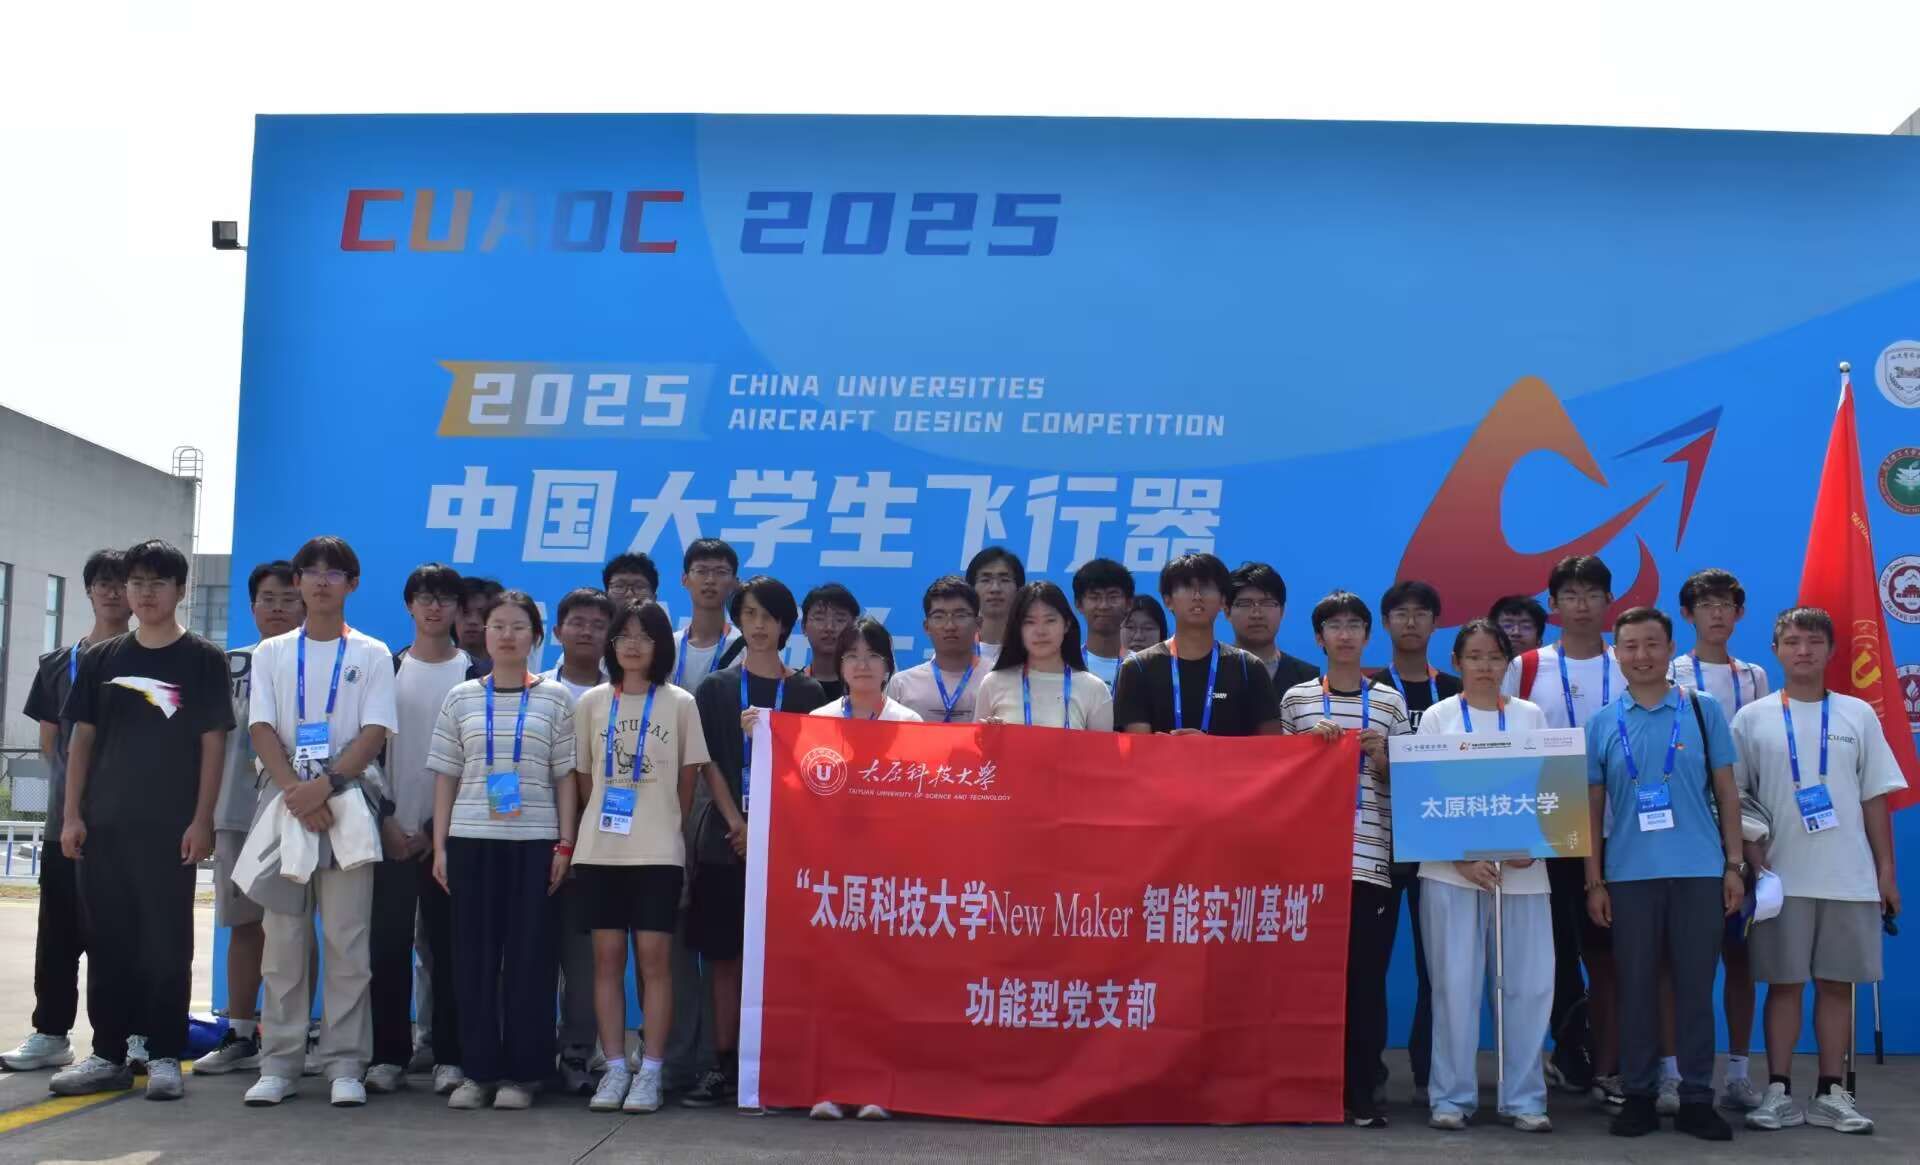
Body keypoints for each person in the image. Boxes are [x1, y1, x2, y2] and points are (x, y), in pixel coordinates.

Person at [47, 540, 231, 1101]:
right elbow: (81, 740)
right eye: (136, 583)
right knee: (108, 942)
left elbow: (213, 744)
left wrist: (202, 820)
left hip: (170, 830)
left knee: (167, 945)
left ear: (180, 590)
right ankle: (107, 1053)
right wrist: (72, 815)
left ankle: (164, 1053)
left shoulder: (203, 659)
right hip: (104, 827)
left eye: (158, 583)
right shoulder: (102, 659)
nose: (145, 593)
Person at [242, 536, 398, 1108]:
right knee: (283, 940)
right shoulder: (272, 652)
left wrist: (324, 786)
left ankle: (345, 1062)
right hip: (285, 804)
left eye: (335, 573)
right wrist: (295, 791)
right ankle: (280, 1062)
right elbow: (260, 727)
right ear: (299, 581)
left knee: (347, 939)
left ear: (352, 584)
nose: (322, 581)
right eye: (312, 571)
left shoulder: (372, 652)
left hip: (347, 802)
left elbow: (374, 732)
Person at [1735, 607, 1903, 1135]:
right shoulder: (1752, 718)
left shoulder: (1858, 714)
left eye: (1813, 641)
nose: (1803, 650)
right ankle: (1778, 1090)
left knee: (1837, 986)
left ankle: (1832, 1093)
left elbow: (1875, 798)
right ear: (1776, 650)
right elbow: (1734, 798)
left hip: (1849, 879)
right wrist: (1754, 863)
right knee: (1783, 986)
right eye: (1792, 641)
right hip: (1781, 880)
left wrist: (1886, 871)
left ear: (1830, 651)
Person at [1583, 606, 1743, 1140]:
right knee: (1635, 988)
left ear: (1670, 648)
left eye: (1652, 644)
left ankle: (1697, 1097)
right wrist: (1594, 880)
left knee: (1696, 988)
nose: (1642, 655)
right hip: (1629, 876)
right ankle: (1639, 1095)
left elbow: (1727, 793)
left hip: (1700, 871)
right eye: (1630, 646)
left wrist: (1734, 865)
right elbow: (1590, 809)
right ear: (1617, 653)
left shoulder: (1702, 709)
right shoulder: (1603, 722)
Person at [428, 590, 579, 1111]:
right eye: (497, 626)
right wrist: (441, 845)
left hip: (535, 844)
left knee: (530, 960)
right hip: (471, 841)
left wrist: (565, 843)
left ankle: (524, 1072)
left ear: (536, 637)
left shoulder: (555, 698)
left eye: (518, 626)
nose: (507, 635)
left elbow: (565, 777)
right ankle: (478, 1072)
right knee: (472, 961)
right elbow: (446, 776)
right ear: (483, 634)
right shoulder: (461, 697)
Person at [687, 576, 828, 1107]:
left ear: (786, 624)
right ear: (738, 622)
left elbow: (814, 772)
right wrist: (739, 825)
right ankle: (722, 1065)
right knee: (724, 958)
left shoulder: (808, 693)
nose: (760, 625)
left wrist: (770, 829)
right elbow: (708, 765)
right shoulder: (717, 688)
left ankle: (772, 1064)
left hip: (787, 844)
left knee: (780, 959)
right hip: (727, 839)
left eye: (769, 616)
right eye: (749, 615)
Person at [1279, 590, 1413, 1127]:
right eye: (1334, 626)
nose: (1345, 634)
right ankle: (1312, 1088)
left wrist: (1383, 760)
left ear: (1367, 635)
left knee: (1365, 983)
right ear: (1319, 638)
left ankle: (1362, 1093)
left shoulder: (1390, 703)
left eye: (1354, 625)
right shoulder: (1296, 701)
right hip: (1311, 865)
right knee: (1311, 981)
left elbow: (1414, 789)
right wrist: (1307, 751)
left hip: (1372, 862)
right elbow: (1277, 782)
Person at [1414, 619, 1553, 1133]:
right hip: (1451, 874)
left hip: (1523, 875)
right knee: (1454, 986)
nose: (1485, 667)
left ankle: (1525, 1098)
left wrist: (1529, 848)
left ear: (1508, 663)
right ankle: (1451, 1097)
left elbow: (1549, 790)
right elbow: (1423, 795)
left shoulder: (1530, 715)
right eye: (1474, 657)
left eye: (1495, 657)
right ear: (1457, 663)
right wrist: (1460, 858)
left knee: (1529, 986)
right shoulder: (1439, 717)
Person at [574, 601, 710, 1114]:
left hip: (657, 852)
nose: (633, 645)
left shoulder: (680, 703)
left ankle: (650, 1069)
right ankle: (614, 1067)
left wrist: (664, 829)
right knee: (607, 961)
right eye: (624, 635)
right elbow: (584, 779)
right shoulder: (591, 702)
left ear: (660, 646)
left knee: (655, 963)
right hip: (600, 851)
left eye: (645, 636)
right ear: (611, 644)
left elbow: (686, 783)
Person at [1502, 555, 1625, 1104]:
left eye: (1592, 594)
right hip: (1544, 831)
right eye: (1570, 595)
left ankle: (1612, 1064)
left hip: (1619, 832)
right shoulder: (1527, 666)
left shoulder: (1630, 661)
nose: (1581, 605)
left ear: (1608, 602)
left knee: (1608, 954)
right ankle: (1566, 1053)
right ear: (1552, 605)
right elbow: (1505, 744)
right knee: (1547, 952)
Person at [3, 549, 128, 1074]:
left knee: (115, 936)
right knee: (57, 933)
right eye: (103, 583)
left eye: (122, 583)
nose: (113, 592)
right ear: (89, 591)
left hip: (125, 820)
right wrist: (69, 799)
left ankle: (119, 1041)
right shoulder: (57, 663)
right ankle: (51, 1033)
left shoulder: (146, 660)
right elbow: (48, 741)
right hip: (64, 821)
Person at [192, 561, 304, 1077]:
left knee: (298, 928)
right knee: (245, 925)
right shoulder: (228, 665)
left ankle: (295, 1035)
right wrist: (204, 815)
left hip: (302, 811)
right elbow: (206, 743)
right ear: (252, 606)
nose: (277, 608)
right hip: (237, 814)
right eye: (267, 599)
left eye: (287, 599)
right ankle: (240, 1032)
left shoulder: (319, 661)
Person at [1667, 567, 1770, 1112]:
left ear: (1739, 613)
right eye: (1706, 605)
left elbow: (1756, 754)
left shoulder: (1753, 676)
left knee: (1740, 956)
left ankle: (1738, 1072)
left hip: (1739, 828)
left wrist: (1752, 839)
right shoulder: (1669, 671)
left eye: (1726, 605)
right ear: (1687, 615)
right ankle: (1672, 1073)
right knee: (1676, 961)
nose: (1716, 614)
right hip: (1681, 827)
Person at [1371, 578, 1462, 1103]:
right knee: (1373, 963)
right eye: (1400, 613)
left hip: (1441, 844)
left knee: (1439, 966)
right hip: (1382, 841)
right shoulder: (1367, 690)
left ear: (1435, 622)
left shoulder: (1455, 690)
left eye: (1420, 613)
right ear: (1386, 623)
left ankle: (1433, 1072)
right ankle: (1370, 1071)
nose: (1410, 621)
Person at [386, 563, 475, 1095]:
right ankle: (388, 1055)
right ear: (409, 606)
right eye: (424, 597)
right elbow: (366, 747)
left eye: (444, 598)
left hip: (451, 837)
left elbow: (481, 762)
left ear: (459, 609)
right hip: (388, 832)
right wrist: (388, 820)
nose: (434, 606)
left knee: (448, 950)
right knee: (387, 948)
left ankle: (449, 1055)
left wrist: (431, 830)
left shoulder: (477, 675)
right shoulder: (385, 668)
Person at [540, 587, 616, 1094]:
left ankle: (577, 1054)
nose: (586, 631)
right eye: (577, 622)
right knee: (530, 955)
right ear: (557, 631)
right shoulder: (533, 689)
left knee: (585, 961)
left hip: (597, 847)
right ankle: (529, 1050)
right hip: (533, 838)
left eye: (597, 624)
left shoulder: (624, 695)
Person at [1113, 553, 1282, 737]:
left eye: (1206, 587)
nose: (1197, 596)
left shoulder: (1248, 667)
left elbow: (1271, 746)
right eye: (1187, 587)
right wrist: (1170, 748)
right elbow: (1137, 746)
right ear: (1168, 600)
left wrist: (1210, 748)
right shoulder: (1137, 668)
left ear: (1223, 600)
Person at [978, 581, 1115, 730]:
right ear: (1018, 629)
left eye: (1050, 621)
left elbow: (1103, 746)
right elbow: (974, 742)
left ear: (1066, 624)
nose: (1040, 631)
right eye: (1030, 622)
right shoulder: (993, 683)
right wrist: (991, 736)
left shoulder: (1094, 689)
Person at [886, 576, 986, 724]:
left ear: (978, 624)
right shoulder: (902, 684)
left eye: (960, 615)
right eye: (939, 616)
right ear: (926, 627)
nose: (950, 626)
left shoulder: (997, 679)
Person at [1226, 561, 1320, 691]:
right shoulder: (1211, 671)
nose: (1257, 614)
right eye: (1245, 604)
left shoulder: (1309, 678)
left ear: (1282, 611)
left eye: (1267, 603)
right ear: (1227, 612)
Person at [812, 616, 923, 723]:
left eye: (873, 656)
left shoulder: (908, 721)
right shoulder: (821, 720)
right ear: (841, 666)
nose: (862, 666)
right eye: (852, 656)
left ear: (887, 665)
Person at [675, 539, 743, 687]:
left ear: (735, 583)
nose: (710, 580)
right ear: (685, 580)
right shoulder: (670, 646)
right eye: (701, 571)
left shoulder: (746, 648)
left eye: (721, 572)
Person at [1071, 558, 1134, 687]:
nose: (1104, 606)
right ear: (1079, 604)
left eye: (1113, 597)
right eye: (1094, 597)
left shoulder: (1142, 666)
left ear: (1129, 603)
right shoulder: (1066, 666)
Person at [799, 583, 861, 702]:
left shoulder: (865, 688)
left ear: (855, 627)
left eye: (840, 619)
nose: (829, 627)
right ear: (803, 626)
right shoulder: (789, 687)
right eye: (819, 618)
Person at [966, 546, 1025, 666]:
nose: (995, 589)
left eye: (1004, 580)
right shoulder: (956, 651)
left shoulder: (1032, 651)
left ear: (1018, 589)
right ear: (971, 589)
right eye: (985, 580)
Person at [457, 577, 503, 676]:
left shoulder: (512, 669)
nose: (473, 621)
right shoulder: (437, 663)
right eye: (465, 612)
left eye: (482, 613)